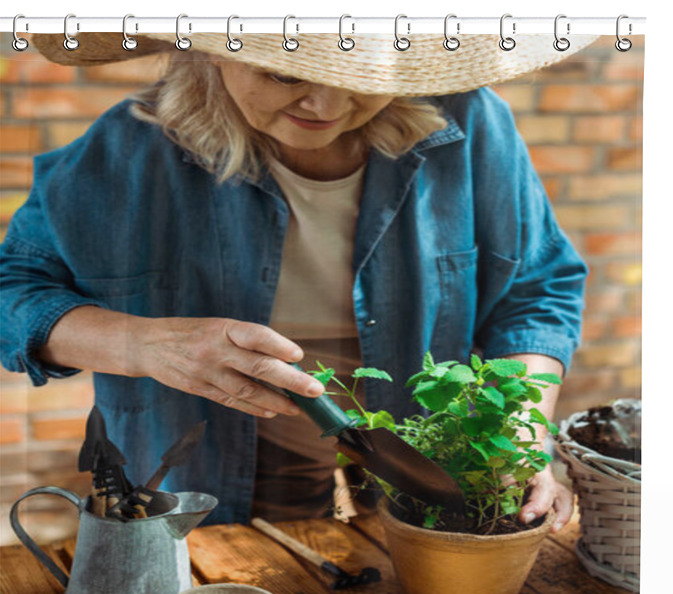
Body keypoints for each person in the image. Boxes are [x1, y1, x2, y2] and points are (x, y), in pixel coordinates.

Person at [0, 32, 591, 531]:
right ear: (212, 53)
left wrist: (520, 435)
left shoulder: (468, 123)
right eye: (284, 71)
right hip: (225, 452)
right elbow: (14, 291)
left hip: (428, 441)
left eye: (360, 69)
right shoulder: (128, 149)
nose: (325, 101)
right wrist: (144, 345)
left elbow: (537, 290)